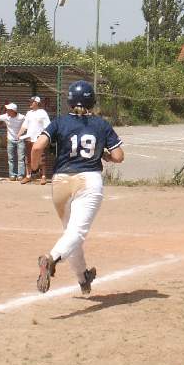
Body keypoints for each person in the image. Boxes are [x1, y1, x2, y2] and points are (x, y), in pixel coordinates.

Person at [33, 80, 124, 296]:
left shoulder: (59, 122)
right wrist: (106, 155)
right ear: (92, 101)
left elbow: (37, 146)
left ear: (70, 101)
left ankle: (83, 278)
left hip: (61, 181)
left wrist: (35, 168)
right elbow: (119, 156)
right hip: (88, 180)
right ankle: (51, 259)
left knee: (71, 234)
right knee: (77, 232)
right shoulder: (101, 125)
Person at [0, 100, 25, 181]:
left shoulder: (22, 117)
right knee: (11, 158)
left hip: (20, 140)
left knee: (21, 158)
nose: (6, 111)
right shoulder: (6, 116)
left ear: (13, 111)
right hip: (10, 140)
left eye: (8, 110)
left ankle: (20, 175)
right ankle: (12, 175)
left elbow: (29, 124)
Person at [19, 95, 50, 185]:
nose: (30, 103)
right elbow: (25, 125)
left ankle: (43, 177)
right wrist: (19, 134)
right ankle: (28, 176)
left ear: (36, 103)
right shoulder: (29, 113)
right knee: (28, 158)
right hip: (29, 139)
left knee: (41, 158)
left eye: (31, 102)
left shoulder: (42, 112)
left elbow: (47, 126)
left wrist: (43, 136)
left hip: (38, 139)